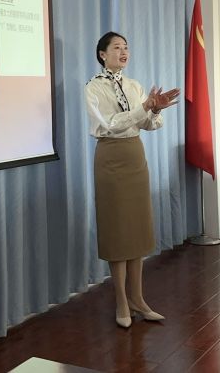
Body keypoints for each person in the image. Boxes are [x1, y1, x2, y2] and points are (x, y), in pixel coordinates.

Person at [85, 31, 179, 328]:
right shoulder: (93, 87)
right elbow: (110, 124)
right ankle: (121, 302)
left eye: (126, 47)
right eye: (117, 47)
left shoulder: (134, 85)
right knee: (118, 230)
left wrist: (155, 109)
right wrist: (145, 108)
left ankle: (138, 299)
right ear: (102, 54)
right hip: (111, 157)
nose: (123, 52)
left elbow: (150, 124)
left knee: (137, 229)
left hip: (135, 156)